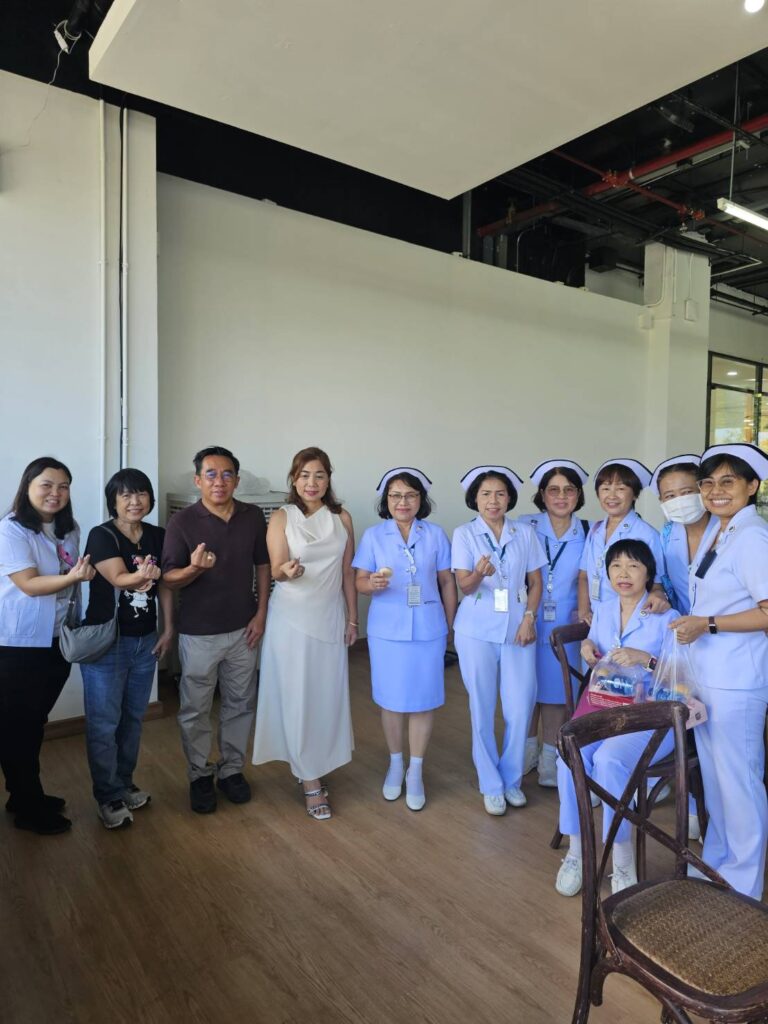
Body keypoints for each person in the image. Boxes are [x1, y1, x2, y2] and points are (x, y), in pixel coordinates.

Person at [555, 539, 679, 897]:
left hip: (649, 714)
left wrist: (646, 659)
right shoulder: (604, 609)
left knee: (610, 760)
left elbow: (681, 676)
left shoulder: (667, 616)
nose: (624, 574)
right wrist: (586, 647)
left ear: (649, 574)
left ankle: (622, 860)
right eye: (616, 566)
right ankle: (577, 852)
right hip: (602, 705)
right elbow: (593, 645)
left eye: (633, 566)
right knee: (568, 755)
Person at [673, 443, 768, 899]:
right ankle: (717, 866)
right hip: (708, 674)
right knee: (715, 780)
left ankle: (744, 883)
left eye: (728, 481)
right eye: (708, 482)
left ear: (752, 486)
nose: (715, 491)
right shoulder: (721, 531)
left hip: (736, 679)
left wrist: (707, 624)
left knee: (739, 783)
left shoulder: (753, 537)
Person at [162, 446, 270, 814]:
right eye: (210, 474)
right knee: (195, 708)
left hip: (244, 629)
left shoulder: (252, 516)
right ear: (198, 481)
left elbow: (263, 565)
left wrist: (261, 613)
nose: (219, 481)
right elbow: (169, 578)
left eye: (227, 474)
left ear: (237, 480)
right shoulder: (182, 522)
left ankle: (231, 770)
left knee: (240, 704)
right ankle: (199, 774)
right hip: (199, 633)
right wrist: (194, 569)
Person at [252, 447, 357, 820]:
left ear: (328, 479)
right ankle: (309, 777)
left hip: (329, 616)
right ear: (294, 480)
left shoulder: (341, 517)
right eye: (304, 475)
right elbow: (276, 569)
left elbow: (347, 572)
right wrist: (288, 571)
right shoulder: (283, 516)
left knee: (324, 694)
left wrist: (352, 619)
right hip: (291, 619)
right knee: (296, 694)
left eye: (319, 475)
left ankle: (314, 758)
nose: (312, 483)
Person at [0, 456, 95, 834]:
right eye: (46, 485)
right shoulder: (11, 530)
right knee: (19, 724)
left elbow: (70, 578)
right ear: (27, 487)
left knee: (34, 720)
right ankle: (28, 806)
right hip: (20, 643)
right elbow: (28, 583)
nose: (55, 493)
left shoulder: (68, 528)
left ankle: (22, 795)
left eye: (63, 486)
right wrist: (75, 577)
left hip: (59, 638)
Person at [353, 467, 456, 811]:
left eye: (410, 495)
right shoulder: (374, 536)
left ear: (420, 500)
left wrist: (451, 624)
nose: (403, 502)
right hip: (387, 631)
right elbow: (359, 581)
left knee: (424, 700)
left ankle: (416, 770)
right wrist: (371, 584)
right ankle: (396, 763)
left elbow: (446, 582)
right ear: (386, 500)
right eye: (395, 495)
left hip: (428, 628)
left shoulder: (436, 534)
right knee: (392, 700)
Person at [80, 469, 174, 829]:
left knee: (133, 719)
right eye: (126, 495)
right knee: (104, 724)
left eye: (141, 493)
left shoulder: (158, 535)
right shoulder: (101, 535)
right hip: (108, 643)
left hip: (145, 640)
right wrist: (145, 575)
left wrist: (168, 628)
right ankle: (108, 796)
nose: (135, 501)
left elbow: (165, 587)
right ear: (113, 502)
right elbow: (120, 578)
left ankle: (123, 783)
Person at [451, 465, 546, 815]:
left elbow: (535, 582)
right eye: (486, 494)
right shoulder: (464, 534)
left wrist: (529, 618)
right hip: (475, 630)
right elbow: (464, 586)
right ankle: (491, 784)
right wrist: (479, 572)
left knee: (520, 706)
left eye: (500, 494)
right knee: (481, 705)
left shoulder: (525, 532)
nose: (493, 500)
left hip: (519, 629)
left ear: (509, 499)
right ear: (475, 499)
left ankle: (512, 779)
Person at [651, 453, 718, 842]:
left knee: (718, 732)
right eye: (669, 495)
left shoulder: (724, 529)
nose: (679, 501)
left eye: (687, 491)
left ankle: (712, 813)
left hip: (721, 639)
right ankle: (693, 802)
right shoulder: (667, 533)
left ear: (703, 489)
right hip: (683, 641)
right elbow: (661, 580)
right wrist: (659, 593)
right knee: (689, 722)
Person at [518, 460, 590, 787]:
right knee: (525, 687)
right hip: (527, 618)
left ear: (578, 495)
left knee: (557, 690)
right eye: (553, 490)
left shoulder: (588, 531)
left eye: (569, 490)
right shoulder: (525, 525)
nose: (561, 496)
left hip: (566, 624)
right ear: (542, 495)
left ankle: (550, 755)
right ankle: (525, 750)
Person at [577, 458, 666, 622]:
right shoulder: (596, 530)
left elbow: (657, 584)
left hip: (630, 619)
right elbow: (584, 575)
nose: (612, 496)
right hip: (596, 618)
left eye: (621, 489)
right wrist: (583, 612)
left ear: (635, 494)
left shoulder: (647, 534)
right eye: (605, 488)